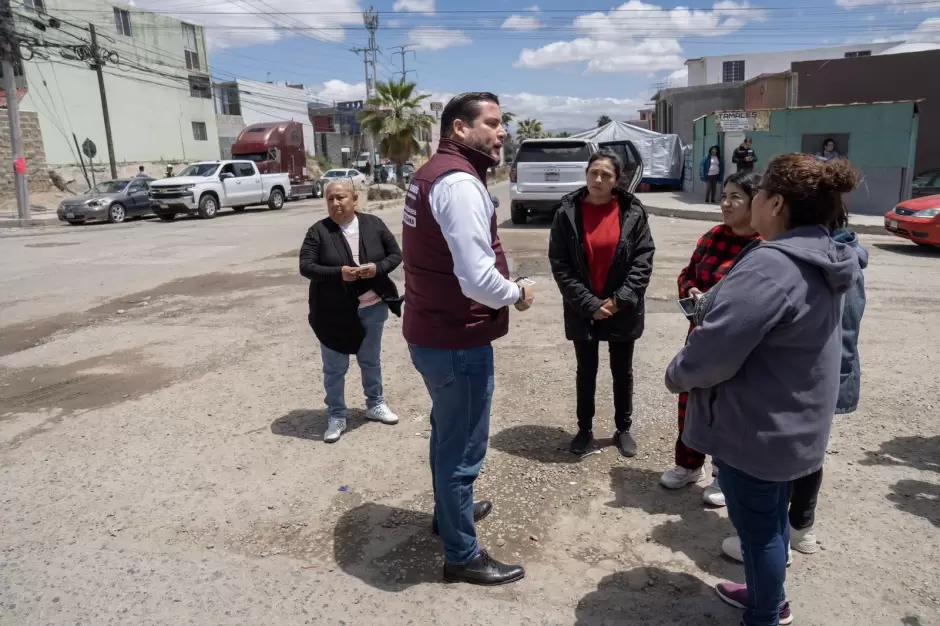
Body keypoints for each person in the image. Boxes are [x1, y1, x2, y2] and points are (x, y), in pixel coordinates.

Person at [665, 153, 862, 626]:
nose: (746, 201)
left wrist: (677, 373)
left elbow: (712, 353)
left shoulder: (771, 267)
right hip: (793, 423)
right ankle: (766, 596)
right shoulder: (829, 251)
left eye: (754, 194)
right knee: (771, 519)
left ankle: (766, 613)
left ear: (774, 204)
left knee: (760, 533)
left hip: (756, 429)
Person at [402, 92, 533, 586]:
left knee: (447, 433)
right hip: (456, 339)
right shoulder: (458, 183)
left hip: (432, 331)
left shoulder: (434, 172)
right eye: (493, 124)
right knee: (462, 451)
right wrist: (516, 292)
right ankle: (461, 554)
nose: (502, 132)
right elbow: (476, 278)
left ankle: (448, 512)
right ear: (460, 129)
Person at [721, 200, 867, 562]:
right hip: (829, 377)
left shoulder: (806, 261)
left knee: (783, 461)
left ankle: (775, 539)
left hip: (802, 379)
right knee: (807, 456)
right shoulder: (844, 256)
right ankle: (800, 527)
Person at [660, 170, 762, 506]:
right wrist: (689, 289)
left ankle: (724, 474)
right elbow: (686, 273)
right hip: (700, 337)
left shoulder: (763, 246)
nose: (727, 203)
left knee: (729, 408)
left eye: (736, 197)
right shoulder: (712, 236)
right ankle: (689, 465)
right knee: (691, 401)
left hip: (738, 347)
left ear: (755, 202)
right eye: (725, 196)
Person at [547, 149, 655, 458]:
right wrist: (589, 303)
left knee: (623, 370)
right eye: (593, 172)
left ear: (616, 180)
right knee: (586, 369)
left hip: (622, 308)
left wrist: (619, 300)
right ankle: (585, 428)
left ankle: (623, 428)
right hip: (584, 309)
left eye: (606, 175)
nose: (598, 179)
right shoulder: (567, 212)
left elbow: (643, 258)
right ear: (586, 174)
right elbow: (560, 262)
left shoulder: (632, 211)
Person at [299, 178, 403, 443]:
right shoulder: (318, 231)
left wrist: (376, 268)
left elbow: (395, 255)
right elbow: (306, 266)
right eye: (330, 199)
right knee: (335, 368)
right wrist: (339, 273)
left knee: (370, 360)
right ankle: (336, 415)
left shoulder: (373, 224)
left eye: (341, 197)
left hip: (372, 307)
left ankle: (375, 404)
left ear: (355, 199)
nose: (335, 203)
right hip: (334, 313)